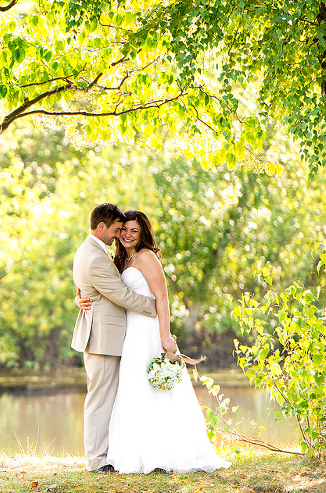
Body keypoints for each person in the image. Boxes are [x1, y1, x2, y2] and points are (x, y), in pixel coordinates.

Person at [76, 209, 230, 474]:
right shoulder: (118, 258)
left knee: (156, 390)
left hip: (147, 328)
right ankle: (131, 452)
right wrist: (79, 298)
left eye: (133, 230)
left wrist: (164, 334)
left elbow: (162, 297)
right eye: (122, 230)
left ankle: (164, 450)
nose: (125, 234)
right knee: (132, 389)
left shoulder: (146, 257)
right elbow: (105, 288)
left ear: (143, 233)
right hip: (127, 333)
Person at [71, 203, 158, 472]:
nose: (119, 234)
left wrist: (80, 297)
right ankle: (97, 461)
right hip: (102, 337)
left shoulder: (93, 250)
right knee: (100, 400)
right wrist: (154, 306)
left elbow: (92, 290)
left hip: (107, 334)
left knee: (107, 397)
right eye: (117, 229)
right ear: (101, 227)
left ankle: (108, 454)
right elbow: (119, 294)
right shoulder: (95, 256)